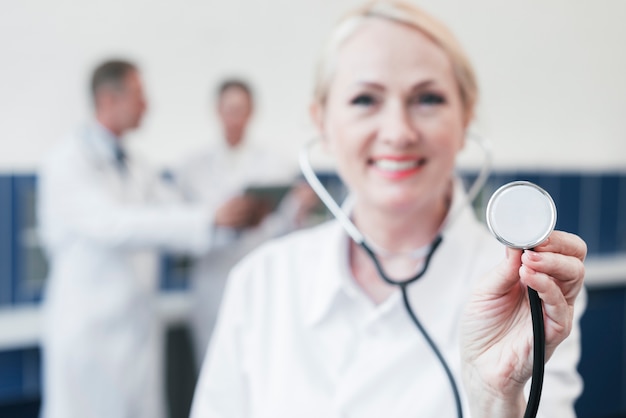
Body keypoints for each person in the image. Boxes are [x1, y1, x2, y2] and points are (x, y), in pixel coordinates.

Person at [189, 2, 587, 418]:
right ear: (321, 121)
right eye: (365, 99)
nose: (398, 133)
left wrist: (495, 400)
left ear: (466, 117)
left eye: (427, 98)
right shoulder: (260, 283)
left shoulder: (530, 286)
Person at [38, 59, 220, 418]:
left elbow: (175, 214)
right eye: (139, 95)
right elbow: (113, 225)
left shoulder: (136, 164)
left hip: (134, 328)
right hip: (88, 330)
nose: (147, 105)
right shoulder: (67, 161)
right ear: (108, 99)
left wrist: (224, 220)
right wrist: (206, 219)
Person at [173, 79, 318, 368]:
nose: (234, 118)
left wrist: (300, 207)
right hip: (212, 280)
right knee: (213, 366)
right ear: (217, 111)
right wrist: (217, 222)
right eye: (229, 109)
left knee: (259, 365)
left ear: (252, 112)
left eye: (241, 109)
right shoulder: (191, 166)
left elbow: (286, 231)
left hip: (260, 277)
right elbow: (181, 232)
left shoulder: (276, 163)